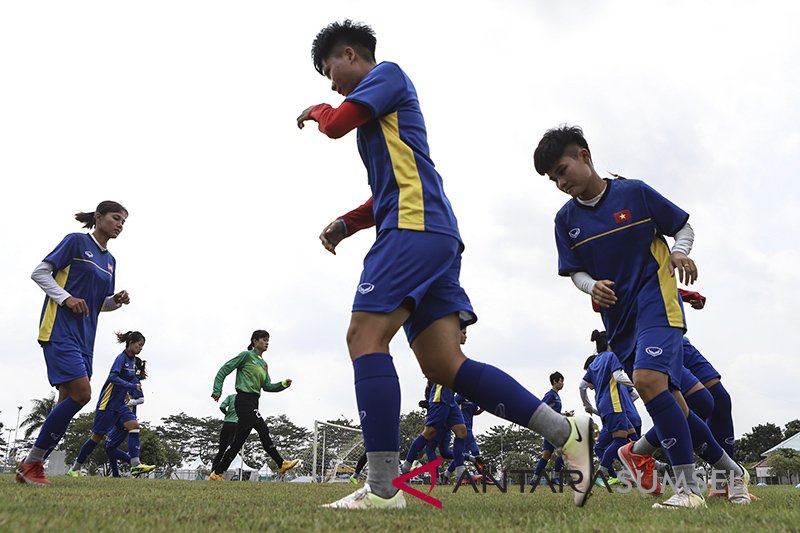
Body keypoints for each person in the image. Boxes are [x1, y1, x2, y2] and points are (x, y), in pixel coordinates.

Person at [298, 20, 594, 510]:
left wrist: (317, 111)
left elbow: (333, 124)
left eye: (330, 72)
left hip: (414, 230)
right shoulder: (377, 111)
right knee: (442, 363)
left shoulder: (388, 75)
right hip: (429, 230)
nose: (331, 86)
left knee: (364, 337)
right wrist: (347, 224)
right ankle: (565, 432)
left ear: (349, 54)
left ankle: (382, 489)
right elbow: (390, 187)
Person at [534, 125, 748, 507]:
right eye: (553, 179)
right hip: (619, 322)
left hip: (658, 302)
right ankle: (732, 472)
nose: (559, 182)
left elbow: (682, 225)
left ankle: (687, 490)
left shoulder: (634, 193)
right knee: (674, 408)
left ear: (584, 155)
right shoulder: (565, 221)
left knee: (650, 382)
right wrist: (590, 286)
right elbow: (575, 271)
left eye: (562, 170)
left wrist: (680, 251)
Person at [19, 201, 131, 485]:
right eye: (116, 218)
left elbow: (98, 304)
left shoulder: (110, 261)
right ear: (99, 217)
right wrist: (65, 297)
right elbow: (39, 273)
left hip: (85, 339)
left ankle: (32, 467)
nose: (120, 224)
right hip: (59, 329)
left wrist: (115, 302)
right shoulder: (76, 242)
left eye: (123, 221)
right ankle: (31, 463)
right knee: (83, 394)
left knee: (68, 401)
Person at [209, 330, 299, 480]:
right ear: (254, 341)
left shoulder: (264, 364)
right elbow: (224, 369)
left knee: (237, 443)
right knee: (262, 428)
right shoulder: (246, 355)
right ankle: (281, 462)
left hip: (254, 401)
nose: (267, 343)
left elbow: (267, 386)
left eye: (268, 340)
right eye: (264, 340)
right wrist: (217, 389)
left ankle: (216, 473)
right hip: (243, 400)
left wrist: (283, 384)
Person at [68, 331, 156, 477]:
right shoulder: (120, 358)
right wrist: (131, 386)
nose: (141, 348)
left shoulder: (133, 360)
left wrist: (127, 392)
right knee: (96, 437)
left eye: (142, 346)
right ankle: (75, 468)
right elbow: (113, 377)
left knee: (134, 426)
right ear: (131, 343)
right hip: (107, 402)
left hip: (120, 404)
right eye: (139, 345)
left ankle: (135, 465)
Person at [579, 331, 637, 486]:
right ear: (610, 344)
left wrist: (588, 405)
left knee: (630, 439)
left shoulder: (593, 363)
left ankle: (644, 470)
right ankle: (602, 471)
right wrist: (637, 383)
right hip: (614, 405)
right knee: (620, 441)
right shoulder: (611, 357)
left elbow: (582, 386)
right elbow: (618, 377)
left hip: (603, 407)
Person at [104, 355, 153, 478]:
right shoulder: (122, 379)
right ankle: (121, 472)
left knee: (109, 446)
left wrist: (127, 402)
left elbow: (141, 399)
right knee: (109, 447)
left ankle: (134, 465)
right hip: (118, 416)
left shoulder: (134, 380)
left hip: (126, 418)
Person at [532, 372, 569, 485]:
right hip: (551, 428)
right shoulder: (551, 395)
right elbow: (541, 406)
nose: (562, 383)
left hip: (549, 428)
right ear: (555, 381)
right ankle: (555, 477)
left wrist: (563, 414)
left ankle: (534, 479)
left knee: (546, 455)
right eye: (561, 381)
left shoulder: (556, 395)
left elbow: (554, 411)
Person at [211, 393, 239, 474]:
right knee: (230, 449)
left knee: (221, 450)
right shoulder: (245, 398)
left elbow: (222, 407)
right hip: (236, 424)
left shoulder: (230, 396)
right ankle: (219, 472)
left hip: (226, 424)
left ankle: (213, 471)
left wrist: (227, 414)